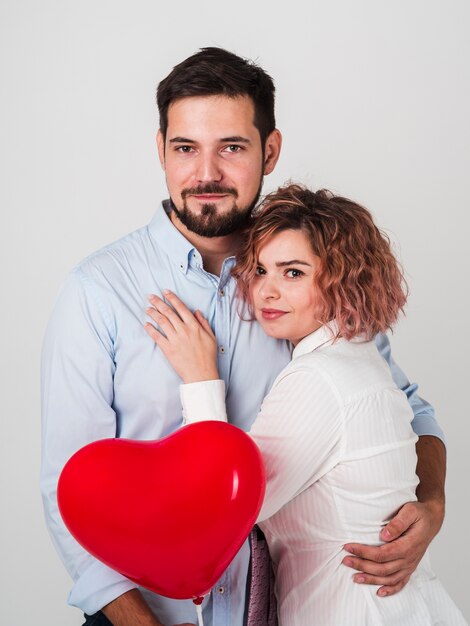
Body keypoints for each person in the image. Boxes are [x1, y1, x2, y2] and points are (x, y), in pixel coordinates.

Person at [41, 48, 446, 626]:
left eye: (231, 147)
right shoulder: (97, 291)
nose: (206, 174)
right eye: (185, 149)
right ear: (160, 150)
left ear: (270, 150)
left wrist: (431, 505)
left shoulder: (313, 280)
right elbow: (69, 488)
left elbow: (411, 412)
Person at [145, 184, 466, 625]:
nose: (266, 292)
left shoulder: (318, 378)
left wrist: (201, 381)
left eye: (292, 273)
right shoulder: (359, 356)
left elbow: (225, 514)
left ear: (342, 278)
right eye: (259, 270)